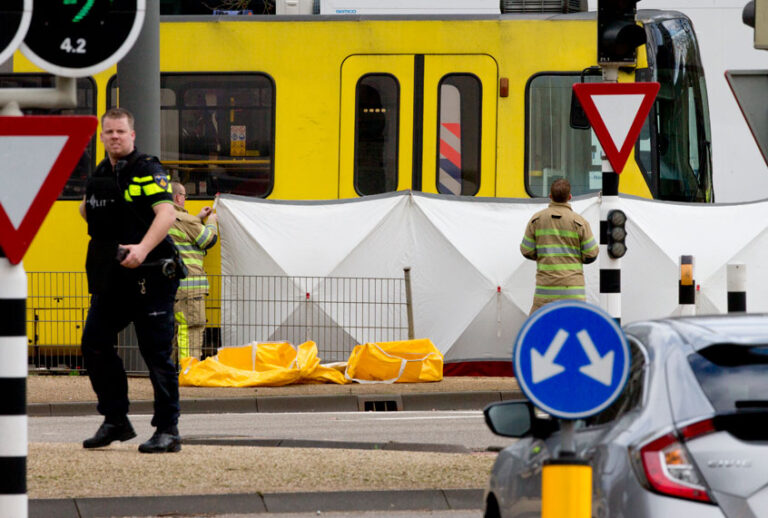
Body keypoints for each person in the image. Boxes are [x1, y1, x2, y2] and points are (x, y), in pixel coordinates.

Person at [78, 107, 182, 454]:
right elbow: (85, 210)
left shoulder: (147, 169)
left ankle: (168, 430)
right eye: (109, 132)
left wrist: (142, 248)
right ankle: (115, 420)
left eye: (121, 131)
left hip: (151, 277)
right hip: (113, 278)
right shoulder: (101, 172)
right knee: (93, 343)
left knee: (156, 355)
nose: (115, 137)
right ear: (102, 136)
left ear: (132, 135)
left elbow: (167, 213)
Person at [520, 178, 598, 314]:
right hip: (573, 293)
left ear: (550, 196)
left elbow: (526, 250)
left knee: (541, 331)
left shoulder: (536, 220)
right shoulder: (580, 222)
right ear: (569, 197)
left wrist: (544, 256)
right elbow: (591, 253)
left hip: (545, 294)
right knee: (574, 330)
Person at [169, 182, 218, 361]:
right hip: (190, 290)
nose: (185, 199)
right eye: (184, 195)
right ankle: (189, 370)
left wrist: (198, 218)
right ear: (177, 197)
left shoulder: (162, 217)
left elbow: (184, 233)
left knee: (176, 331)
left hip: (171, 287)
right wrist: (211, 222)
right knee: (191, 329)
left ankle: (174, 372)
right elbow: (209, 240)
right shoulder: (185, 220)